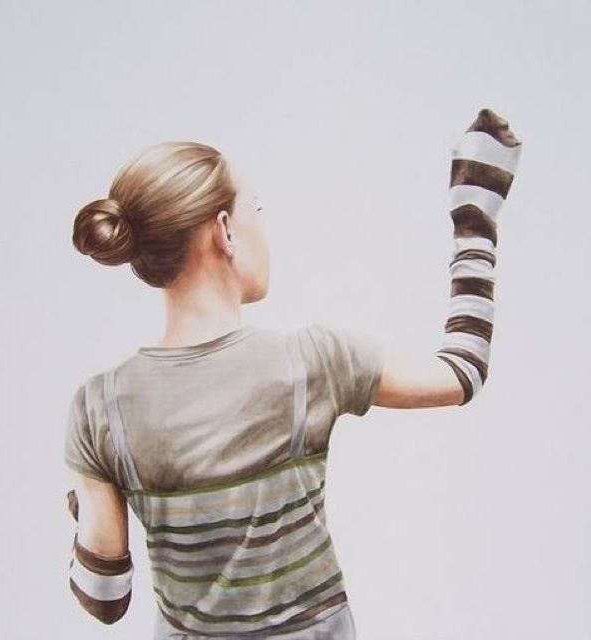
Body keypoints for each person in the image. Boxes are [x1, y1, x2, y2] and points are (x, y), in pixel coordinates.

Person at [63, 108, 522, 639]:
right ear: (225, 231)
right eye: (255, 209)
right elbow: (462, 371)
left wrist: (88, 503)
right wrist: (474, 222)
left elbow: (105, 598)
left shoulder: (99, 407)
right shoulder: (310, 363)